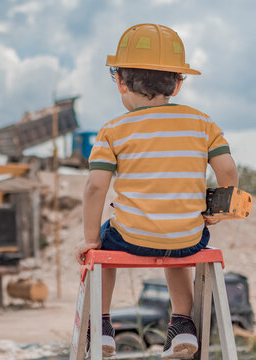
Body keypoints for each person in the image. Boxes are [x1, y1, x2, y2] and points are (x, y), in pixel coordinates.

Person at [75, 23, 238, 359]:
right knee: (175, 247)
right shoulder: (203, 123)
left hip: (132, 236)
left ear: (119, 81)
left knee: (106, 241)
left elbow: (95, 188)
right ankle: (182, 325)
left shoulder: (112, 130)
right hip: (188, 236)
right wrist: (217, 212)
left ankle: (103, 327)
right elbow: (228, 171)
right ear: (177, 84)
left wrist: (90, 239)